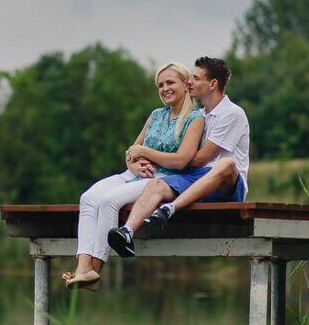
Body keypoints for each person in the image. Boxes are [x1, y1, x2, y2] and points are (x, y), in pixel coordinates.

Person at [62, 62, 204, 288]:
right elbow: (132, 152)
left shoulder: (195, 119)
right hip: (133, 174)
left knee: (109, 201)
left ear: (186, 84)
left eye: (170, 82)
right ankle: (82, 268)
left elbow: (181, 160)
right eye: (160, 85)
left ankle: (94, 272)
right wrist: (134, 164)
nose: (164, 88)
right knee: (88, 198)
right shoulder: (156, 115)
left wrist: (145, 153)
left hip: (161, 178)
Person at [107, 56, 249, 258]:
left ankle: (170, 208)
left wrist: (158, 155)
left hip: (227, 185)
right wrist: (139, 162)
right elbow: (182, 159)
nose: (190, 81)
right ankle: (127, 232)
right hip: (195, 177)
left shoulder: (232, 113)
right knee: (155, 185)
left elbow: (199, 159)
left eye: (196, 78)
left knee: (226, 163)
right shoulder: (199, 114)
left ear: (212, 84)